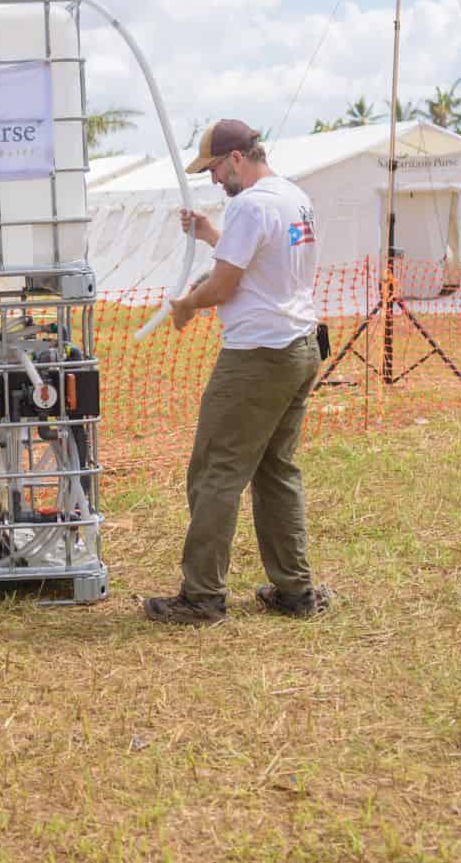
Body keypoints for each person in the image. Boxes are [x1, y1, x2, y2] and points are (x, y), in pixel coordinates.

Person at [143, 119, 332, 625]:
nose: (211, 180)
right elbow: (261, 265)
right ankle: (294, 590)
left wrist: (186, 305)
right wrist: (211, 236)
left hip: (256, 356)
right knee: (276, 470)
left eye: (213, 169)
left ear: (235, 159)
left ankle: (202, 596)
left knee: (215, 471)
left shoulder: (249, 203)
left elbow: (225, 286)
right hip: (299, 347)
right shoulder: (294, 197)